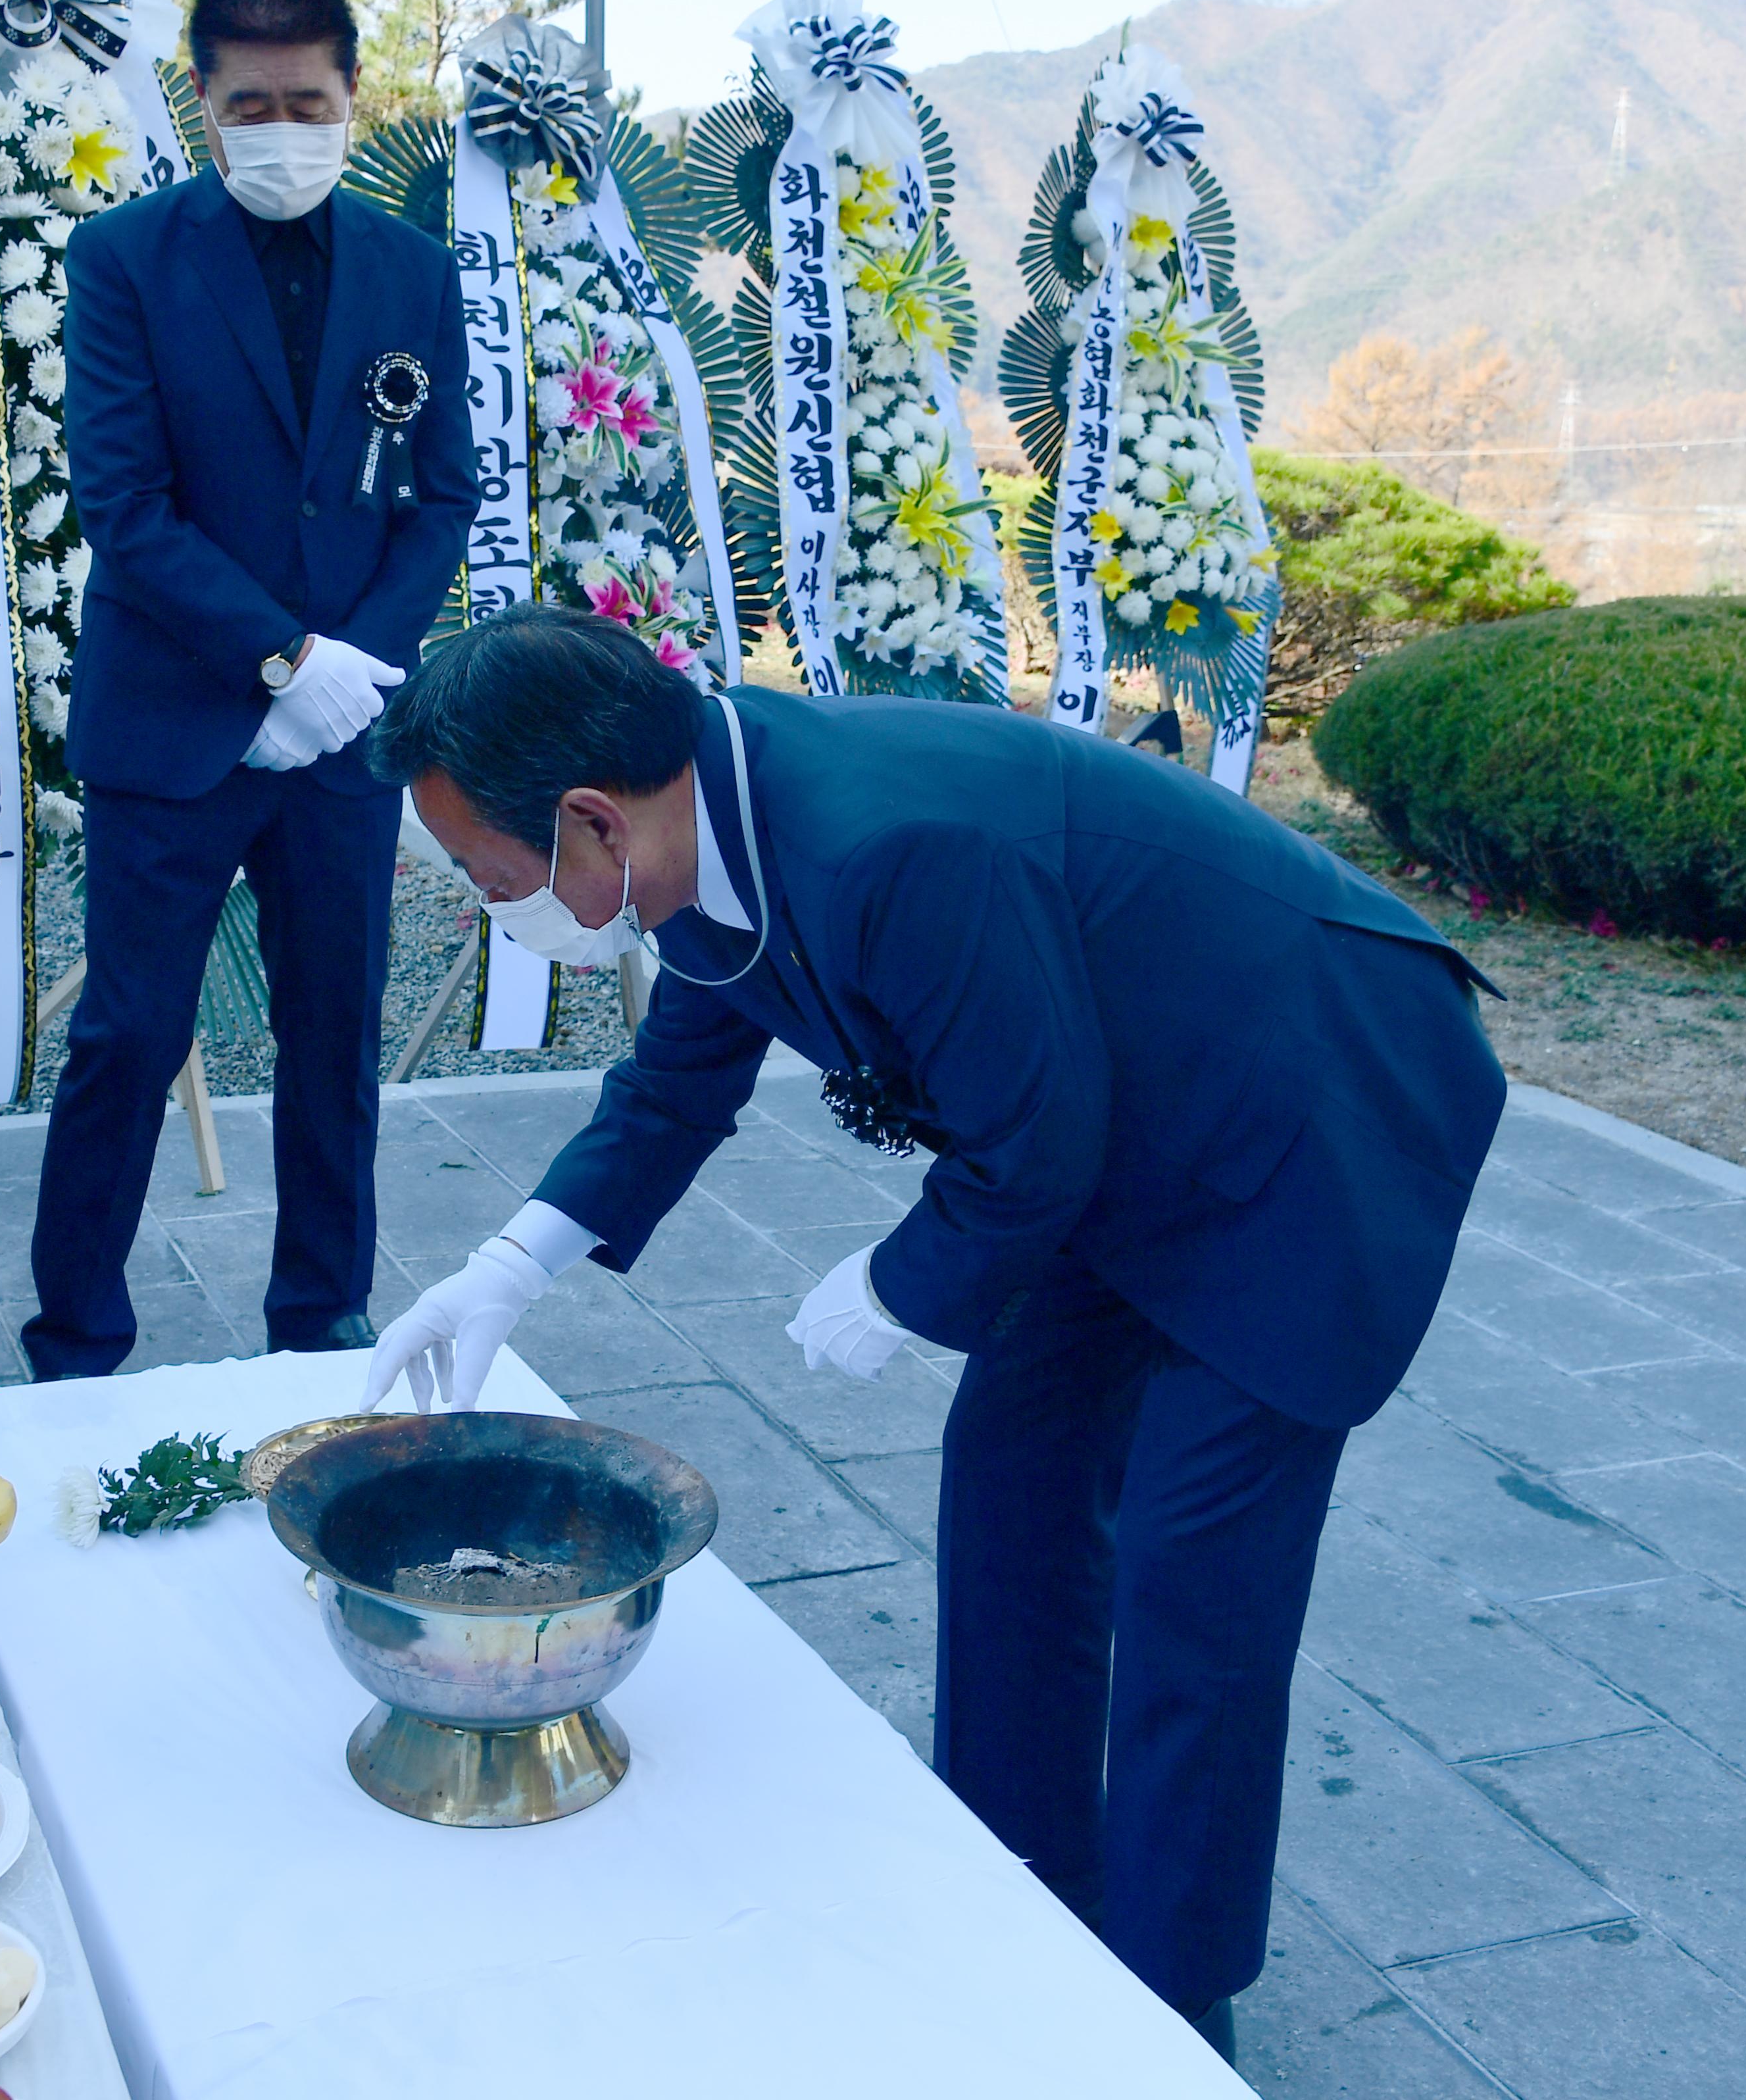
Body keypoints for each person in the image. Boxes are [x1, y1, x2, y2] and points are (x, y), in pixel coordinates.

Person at [361, 607, 1508, 2060]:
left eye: (488, 870)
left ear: (590, 817)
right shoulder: (703, 832)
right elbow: (678, 1083)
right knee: (1016, 1476)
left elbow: (1035, 1140)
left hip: (1309, 1109)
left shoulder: (887, 840)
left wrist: (903, 1284)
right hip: (1125, 1117)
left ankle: (1169, 2000)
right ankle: (1021, 1876)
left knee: (1192, 1574)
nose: (490, 899)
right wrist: (509, 1265)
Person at [23, 0, 476, 1379]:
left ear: (353, 99)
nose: (282, 127)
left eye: (309, 101)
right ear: (205, 106)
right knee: (127, 1034)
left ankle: (319, 1324)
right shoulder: (125, 261)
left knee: (333, 1037)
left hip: (348, 728)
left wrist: (356, 671)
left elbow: (443, 495)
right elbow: (126, 504)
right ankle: (77, 1336)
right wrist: (279, 660)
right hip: (174, 721)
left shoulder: (415, 270)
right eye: (250, 104)